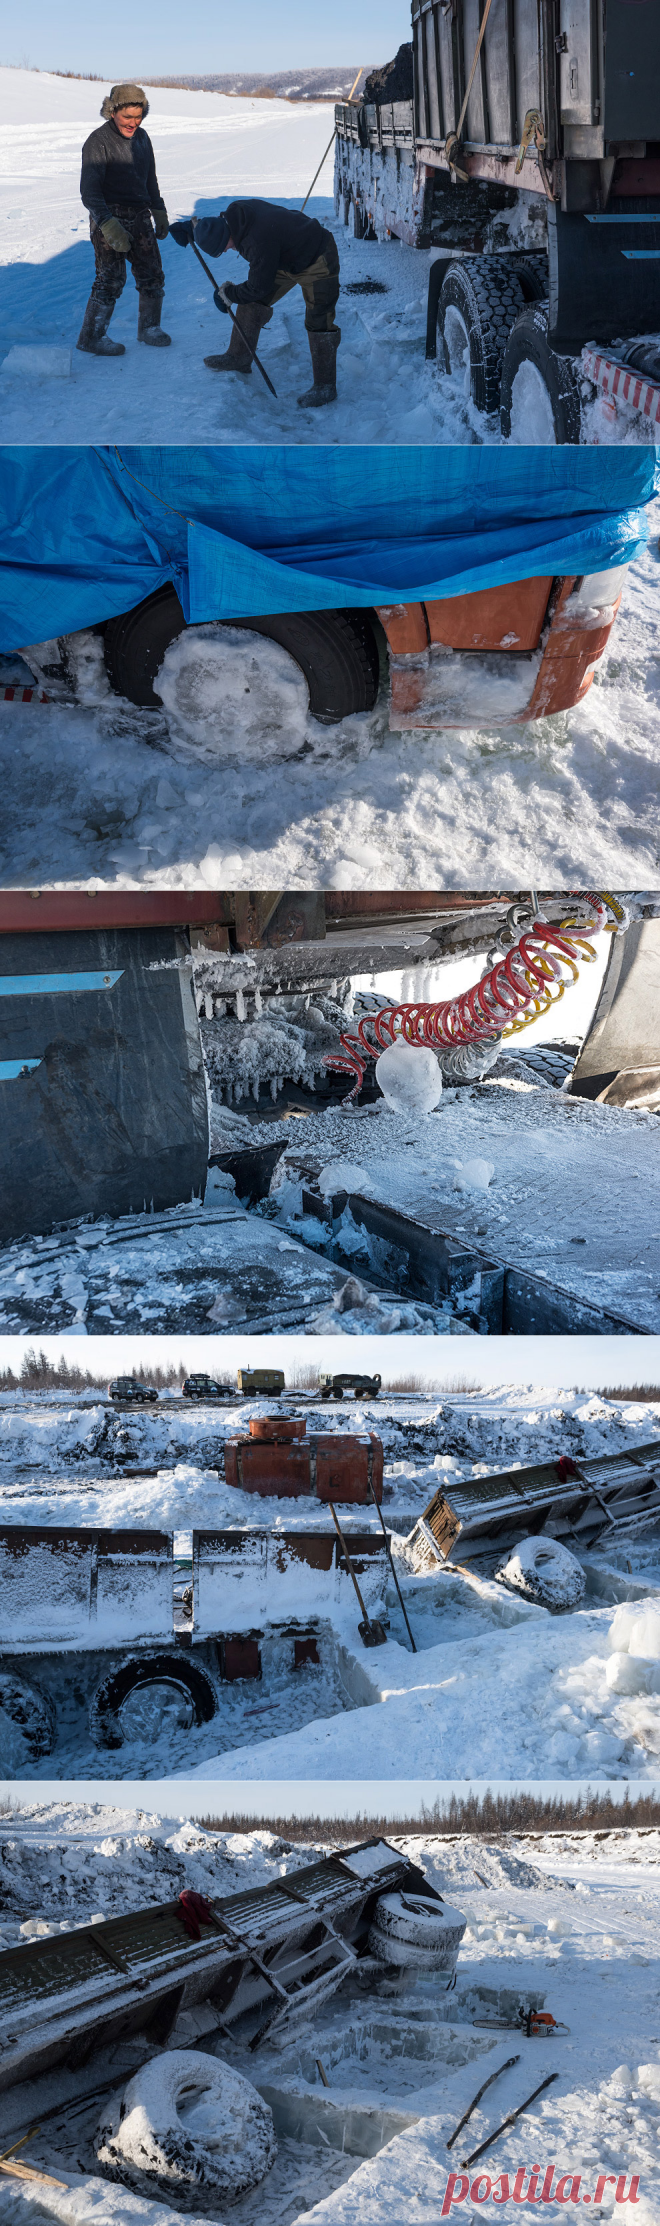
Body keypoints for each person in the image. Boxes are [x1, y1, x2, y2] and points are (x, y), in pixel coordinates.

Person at [170, 199, 341, 406]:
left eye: (223, 248)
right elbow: (216, 227)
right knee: (252, 301)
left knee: (319, 317)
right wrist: (195, 228)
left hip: (316, 254)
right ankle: (239, 357)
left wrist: (229, 294)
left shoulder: (257, 242)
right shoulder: (234, 215)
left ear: (226, 236)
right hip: (282, 255)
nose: (226, 252)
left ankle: (325, 386)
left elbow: (258, 286)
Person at [77, 82, 170, 356]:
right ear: (112, 111)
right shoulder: (98, 142)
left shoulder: (142, 139)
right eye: (127, 116)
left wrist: (159, 210)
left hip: (139, 214)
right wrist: (106, 223)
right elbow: (89, 192)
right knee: (110, 279)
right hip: (109, 216)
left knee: (152, 273)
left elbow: (150, 178)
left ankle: (149, 328)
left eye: (138, 116)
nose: (133, 122)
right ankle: (91, 337)